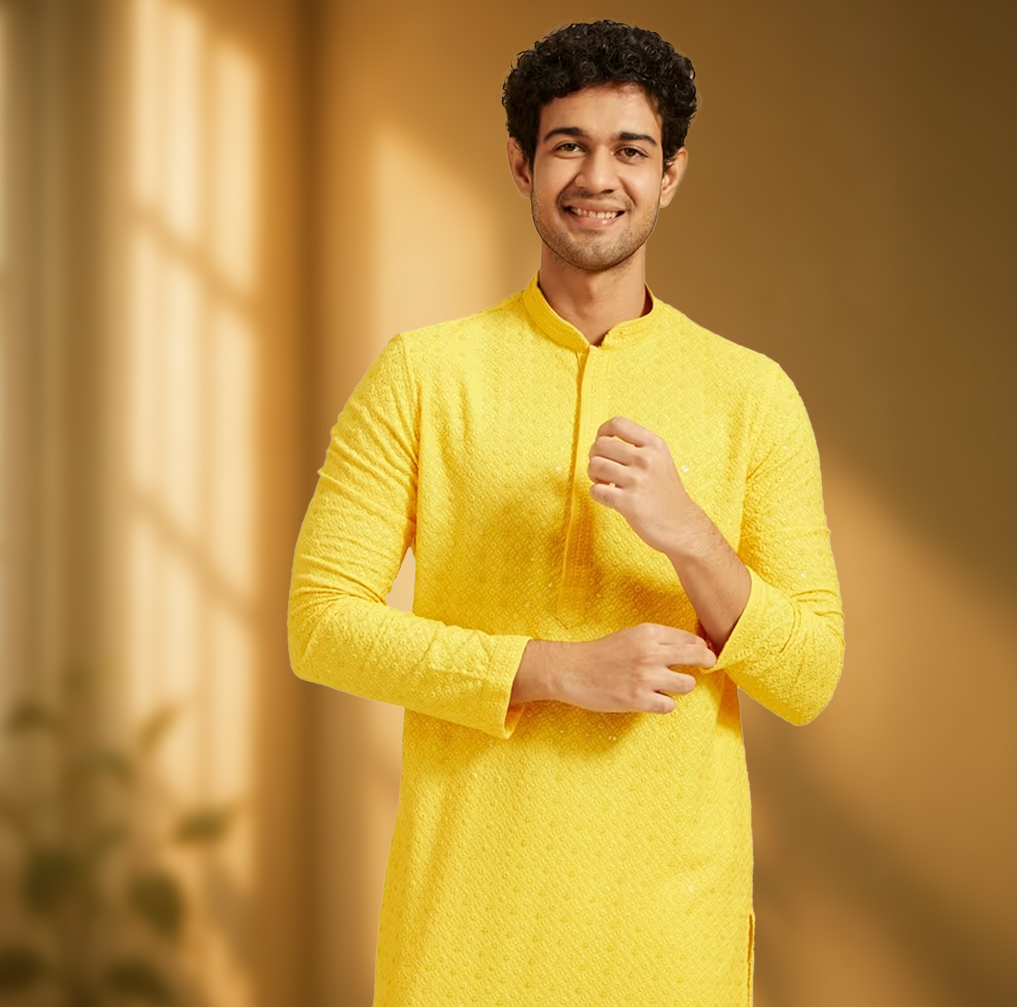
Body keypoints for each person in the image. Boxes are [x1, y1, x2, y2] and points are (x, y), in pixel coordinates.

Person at [287, 20, 843, 1006]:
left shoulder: (751, 394)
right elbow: (320, 627)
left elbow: (806, 676)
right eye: (567, 145)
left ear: (670, 173)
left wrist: (689, 534)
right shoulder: (424, 374)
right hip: (465, 928)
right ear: (520, 163)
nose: (599, 174)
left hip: (671, 936)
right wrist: (553, 669)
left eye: (630, 149)